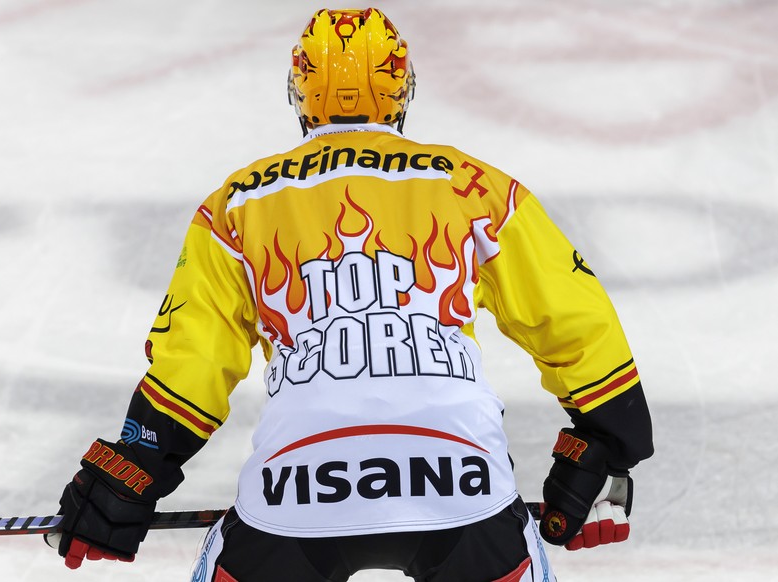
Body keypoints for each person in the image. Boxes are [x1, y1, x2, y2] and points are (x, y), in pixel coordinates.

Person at [46, 8, 654, 581]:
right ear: (403, 89)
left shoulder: (235, 204)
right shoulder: (476, 185)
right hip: (462, 486)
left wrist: (132, 467)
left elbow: (193, 361)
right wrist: (603, 443)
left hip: (296, 492)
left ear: (299, 92)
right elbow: (573, 315)